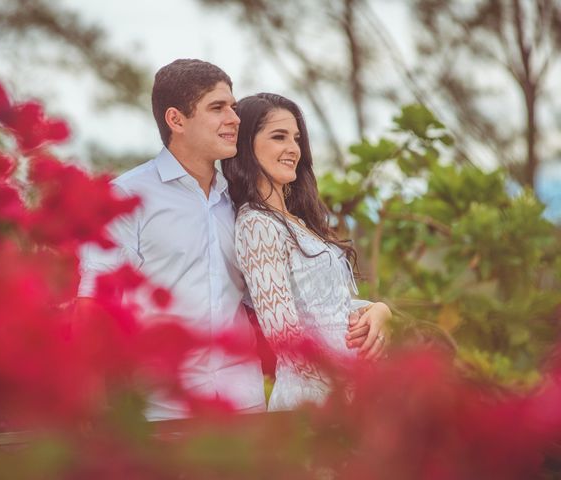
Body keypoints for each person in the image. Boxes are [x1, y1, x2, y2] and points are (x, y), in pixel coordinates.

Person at [78, 60, 377, 420]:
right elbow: (92, 308)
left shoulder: (238, 205)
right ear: (176, 120)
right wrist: (90, 418)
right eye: (217, 108)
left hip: (243, 405)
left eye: (233, 107)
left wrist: (376, 310)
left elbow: (299, 295)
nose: (234, 118)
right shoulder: (126, 197)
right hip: (164, 410)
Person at [223, 93, 391, 411]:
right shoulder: (256, 224)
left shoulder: (298, 221)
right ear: (247, 145)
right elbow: (286, 337)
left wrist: (379, 310)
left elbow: (327, 307)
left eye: (296, 138)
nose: (293, 149)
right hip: (317, 402)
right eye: (278, 136)